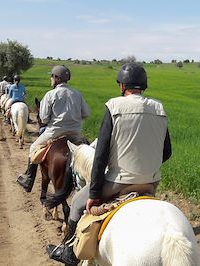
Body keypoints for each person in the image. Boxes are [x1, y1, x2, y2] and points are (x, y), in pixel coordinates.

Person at [46, 63, 172, 265]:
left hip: (119, 183)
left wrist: (94, 194)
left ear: (122, 86)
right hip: (151, 184)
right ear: (143, 86)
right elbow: (166, 152)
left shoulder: (113, 106)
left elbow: (100, 156)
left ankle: (69, 253)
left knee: (78, 203)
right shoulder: (159, 108)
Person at [17, 65, 90, 193]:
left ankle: (28, 181)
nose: (51, 79)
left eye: (52, 77)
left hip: (55, 132)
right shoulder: (77, 94)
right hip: (76, 134)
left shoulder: (51, 94)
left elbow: (44, 118)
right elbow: (86, 113)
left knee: (33, 148)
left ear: (56, 78)